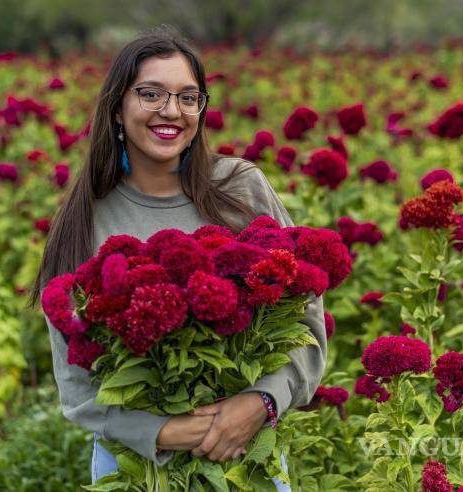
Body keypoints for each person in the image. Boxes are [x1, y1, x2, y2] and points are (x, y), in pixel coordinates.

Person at [27, 26, 327, 488]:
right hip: (137, 466)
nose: (171, 111)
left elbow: (306, 322)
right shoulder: (85, 218)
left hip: (247, 456)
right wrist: (161, 431)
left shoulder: (240, 189)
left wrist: (261, 401)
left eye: (188, 98)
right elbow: (75, 379)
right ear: (117, 106)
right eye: (151, 94)